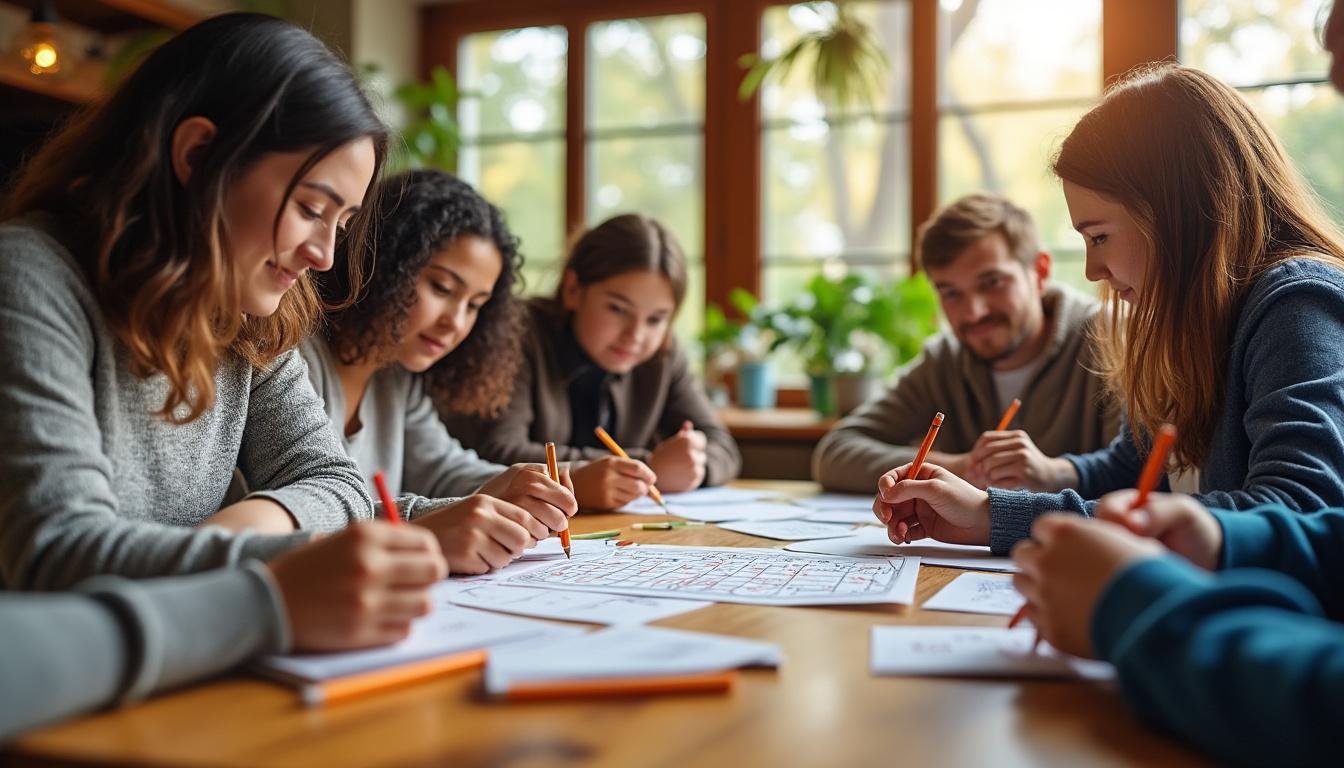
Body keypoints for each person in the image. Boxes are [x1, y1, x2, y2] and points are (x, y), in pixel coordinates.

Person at [875, 62, 1344, 555]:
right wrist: (993, 509)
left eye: (1099, 236)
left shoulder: (1296, 305)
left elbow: (1296, 509)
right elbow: (1136, 471)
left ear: (1177, 212)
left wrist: (996, 516)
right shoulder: (1182, 320)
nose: (1092, 270)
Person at [0, 13, 388, 589]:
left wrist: (243, 531)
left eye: (342, 222)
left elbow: (337, 481)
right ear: (199, 154)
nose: (324, 256)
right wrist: (267, 557)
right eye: (310, 209)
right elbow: (56, 552)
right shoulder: (30, 276)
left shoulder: (248, 316)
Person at [303, 170, 577, 573]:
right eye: (443, 289)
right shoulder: (297, 360)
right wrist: (437, 519)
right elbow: (301, 511)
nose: (456, 323)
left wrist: (515, 483)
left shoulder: (395, 374)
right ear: (384, 261)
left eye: (474, 305)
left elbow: (444, 469)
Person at [1, 521, 448, 742]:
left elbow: (336, 479)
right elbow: (56, 552)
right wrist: (265, 593)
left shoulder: (257, 344)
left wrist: (260, 518)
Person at [813, 192, 1118, 494]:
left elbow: (1136, 471)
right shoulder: (945, 360)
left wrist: (1056, 473)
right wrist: (962, 468)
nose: (973, 313)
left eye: (992, 283)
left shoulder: (1112, 338)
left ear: (1040, 271)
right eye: (950, 293)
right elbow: (834, 454)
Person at [447, 214, 741, 510]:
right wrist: (649, 467)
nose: (635, 335)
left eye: (656, 319)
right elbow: (498, 452)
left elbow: (723, 446)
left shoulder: (662, 354)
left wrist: (693, 463)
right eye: (618, 309)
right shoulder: (516, 332)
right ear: (573, 289)